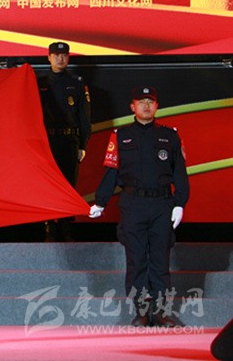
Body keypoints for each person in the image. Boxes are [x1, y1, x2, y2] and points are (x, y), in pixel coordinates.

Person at [89, 86, 189, 328]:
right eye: (141, 102)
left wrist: (180, 203)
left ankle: (162, 312)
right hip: (133, 204)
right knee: (136, 260)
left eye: (150, 101)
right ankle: (141, 311)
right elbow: (111, 172)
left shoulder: (170, 136)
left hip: (162, 205)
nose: (146, 106)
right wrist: (101, 202)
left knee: (160, 259)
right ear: (132, 107)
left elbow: (180, 173)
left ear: (157, 106)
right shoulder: (120, 136)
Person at [37, 41, 91, 241]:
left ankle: (66, 227)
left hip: (69, 141)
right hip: (47, 141)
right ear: (49, 57)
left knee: (69, 185)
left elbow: (84, 117)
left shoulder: (76, 83)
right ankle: (49, 227)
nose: (60, 59)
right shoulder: (39, 83)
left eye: (64, 55)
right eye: (56, 55)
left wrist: (83, 144)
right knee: (47, 185)